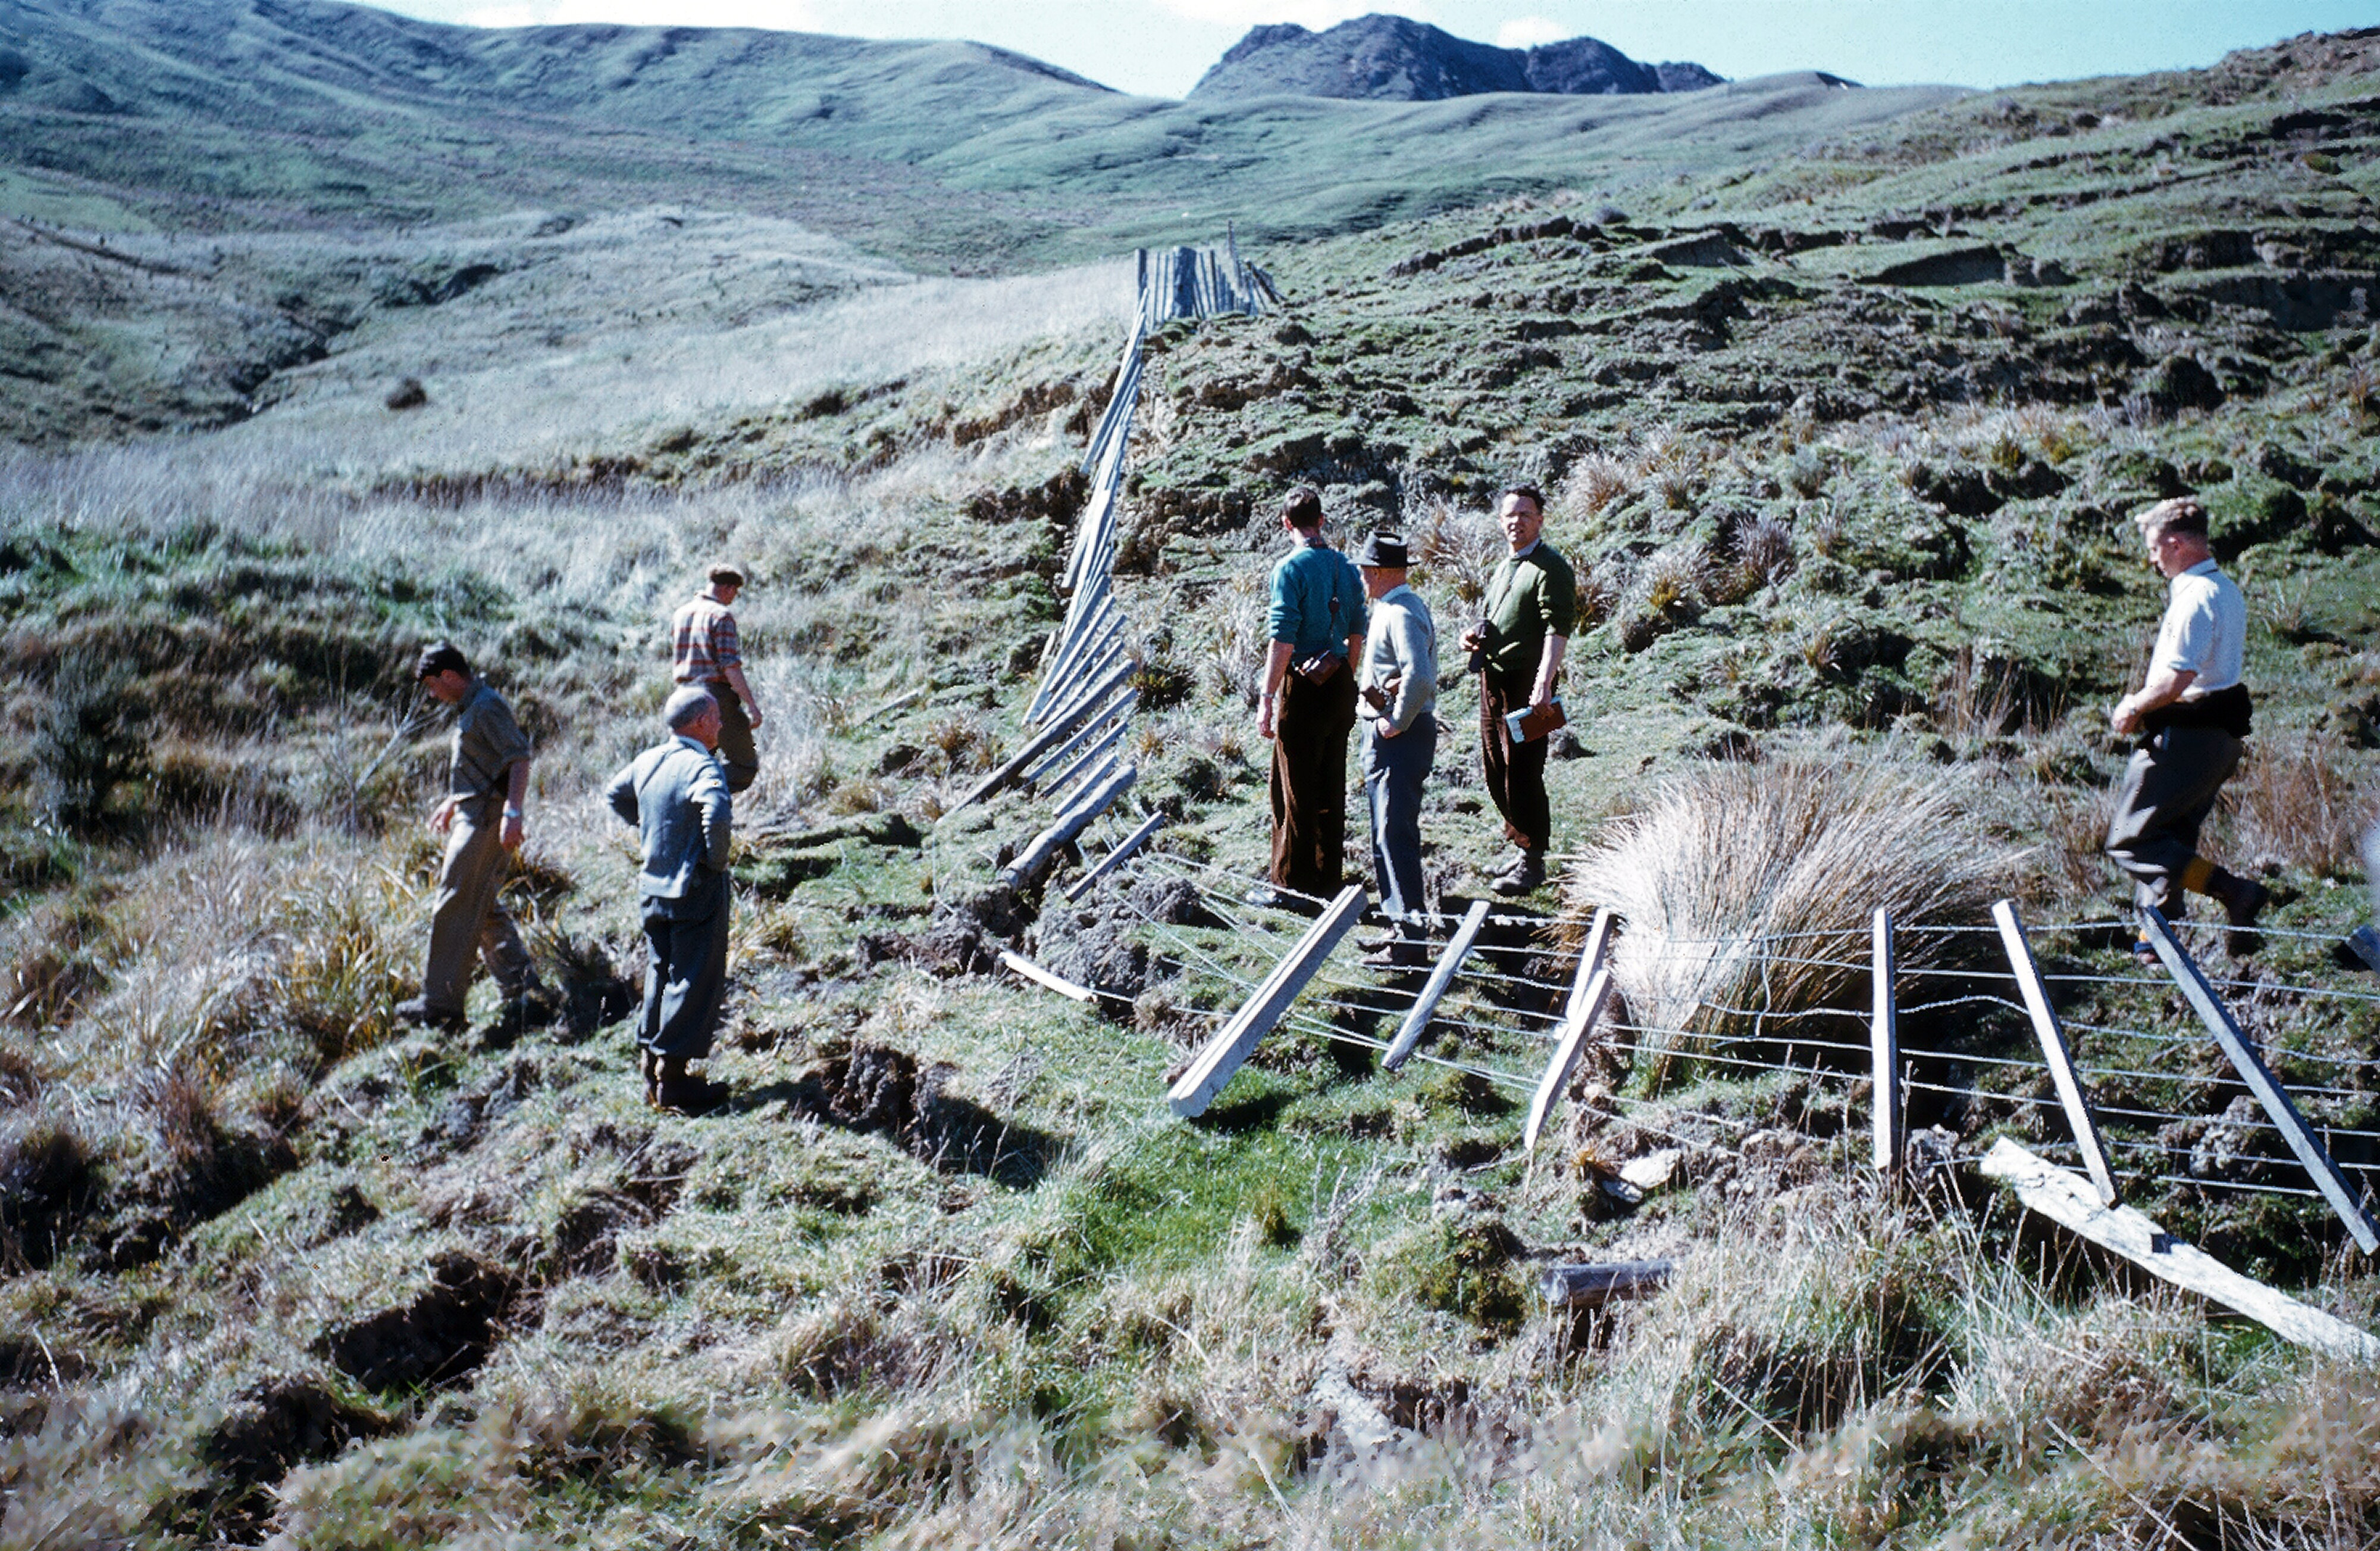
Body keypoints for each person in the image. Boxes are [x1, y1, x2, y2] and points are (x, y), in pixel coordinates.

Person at [2105, 496, 2268, 959]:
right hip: (2219, 738)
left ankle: (2234, 891)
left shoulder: (2195, 598)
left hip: (2187, 734)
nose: (2152, 559)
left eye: (2155, 548)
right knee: (2171, 835)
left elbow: (2177, 679)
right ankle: (2157, 939)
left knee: (2132, 838)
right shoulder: (2226, 590)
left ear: (2176, 544)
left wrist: (2133, 706)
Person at [396, 642, 551, 1032]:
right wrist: (452, 800)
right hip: (474, 812)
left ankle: (441, 1006)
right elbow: (485, 761)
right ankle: (523, 989)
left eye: (434, 685)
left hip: (485, 820)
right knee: (481, 905)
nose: (433, 694)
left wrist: (513, 812)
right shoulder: (473, 707)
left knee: (453, 902)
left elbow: (517, 757)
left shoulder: (486, 706)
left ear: (450, 676)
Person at [605, 686, 735, 1113]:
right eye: (715, 717)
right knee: (693, 975)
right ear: (699, 722)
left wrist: (649, 827)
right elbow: (715, 812)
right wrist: (714, 861)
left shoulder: (648, 761)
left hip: (652, 887)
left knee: (660, 972)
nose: (720, 724)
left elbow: (615, 793)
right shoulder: (700, 765)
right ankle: (675, 1081)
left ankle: (651, 1065)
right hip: (692, 887)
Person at [1254, 487, 1368, 907]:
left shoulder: (1289, 569)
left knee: (1292, 786)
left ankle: (1291, 885)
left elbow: (1282, 637)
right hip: (1339, 682)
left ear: (1287, 524)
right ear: (1321, 521)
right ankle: (1327, 876)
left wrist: (1267, 695)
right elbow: (1358, 628)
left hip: (1302, 684)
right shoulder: (1346, 567)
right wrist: (1347, 674)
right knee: (1330, 779)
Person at [1459, 486, 1575, 897]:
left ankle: (1533, 861)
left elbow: (1556, 627)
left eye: (1525, 514)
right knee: (1497, 767)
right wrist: (1473, 636)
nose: (1516, 521)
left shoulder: (1551, 567)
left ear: (1541, 519)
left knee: (1524, 771)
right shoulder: (1506, 566)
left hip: (1528, 685)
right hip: (1494, 679)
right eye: (1510, 515)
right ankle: (1522, 841)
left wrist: (1544, 681)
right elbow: (1496, 616)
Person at [1354, 532, 1438, 968]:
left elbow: (1419, 676)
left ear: (1384, 572)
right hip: (1389, 735)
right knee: (1384, 831)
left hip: (1399, 737)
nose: (1363, 578)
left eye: (1368, 570)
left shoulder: (1402, 612)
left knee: (1395, 831)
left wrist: (1395, 720)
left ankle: (1409, 942)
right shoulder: (1391, 608)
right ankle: (1397, 926)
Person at [672, 563, 764, 794]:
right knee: (744, 767)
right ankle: (698, 789)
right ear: (728, 589)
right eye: (734, 592)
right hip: (714, 696)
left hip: (682, 696)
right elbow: (730, 666)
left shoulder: (681, 613)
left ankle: (688, 798)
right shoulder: (721, 616)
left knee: (696, 759)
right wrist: (752, 706)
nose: (733, 598)